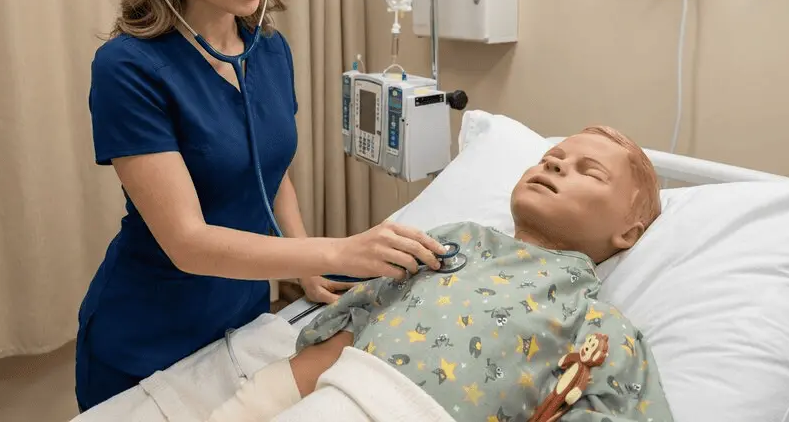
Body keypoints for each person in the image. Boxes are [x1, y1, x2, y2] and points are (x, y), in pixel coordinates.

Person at [75, 0, 444, 412]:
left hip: (243, 318)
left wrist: (308, 260)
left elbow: (269, 172)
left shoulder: (267, 50)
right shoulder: (129, 68)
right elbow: (188, 243)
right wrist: (339, 249)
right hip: (146, 331)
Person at [205, 126, 675, 422]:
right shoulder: (455, 242)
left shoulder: (600, 326)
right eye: (552, 155)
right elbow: (352, 326)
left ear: (629, 232)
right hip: (343, 394)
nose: (553, 162)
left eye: (588, 172)